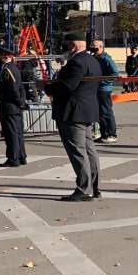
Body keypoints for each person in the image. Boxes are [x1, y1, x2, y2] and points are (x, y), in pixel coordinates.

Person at [46, 33, 103, 201]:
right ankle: (95, 187)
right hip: (86, 110)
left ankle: (84, 189)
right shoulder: (93, 60)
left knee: (78, 151)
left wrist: (47, 88)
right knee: (89, 151)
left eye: (67, 46)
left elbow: (67, 87)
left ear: (72, 46)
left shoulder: (77, 62)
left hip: (72, 112)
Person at [0, 46, 27, 167]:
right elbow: (21, 88)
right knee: (18, 133)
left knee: (11, 134)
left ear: (4, 56)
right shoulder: (14, 68)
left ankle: (13, 158)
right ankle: (21, 156)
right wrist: (22, 102)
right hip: (15, 107)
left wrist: (19, 102)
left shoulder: (7, 70)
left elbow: (13, 90)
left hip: (9, 106)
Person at [90, 39, 119, 143]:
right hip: (95, 88)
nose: (93, 49)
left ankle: (112, 134)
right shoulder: (93, 58)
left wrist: (102, 80)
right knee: (99, 112)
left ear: (101, 47)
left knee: (106, 111)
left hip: (104, 88)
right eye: (91, 46)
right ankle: (103, 134)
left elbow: (115, 74)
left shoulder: (107, 59)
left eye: (95, 47)